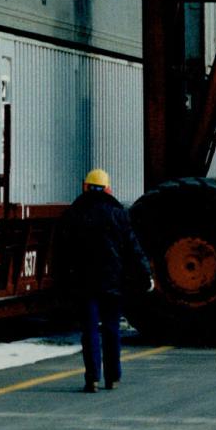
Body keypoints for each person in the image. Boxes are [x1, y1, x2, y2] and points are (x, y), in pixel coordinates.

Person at [56, 168, 153, 393]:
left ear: (85, 187)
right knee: (111, 329)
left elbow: (62, 253)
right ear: (108, 189)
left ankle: (92, 379)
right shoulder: (118, 214)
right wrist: (146, 275)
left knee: (89, 330)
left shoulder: (73, 214)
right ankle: (113, 377)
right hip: (113, 284)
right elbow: (133, 249)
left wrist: (62, 282)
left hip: (84, 284)